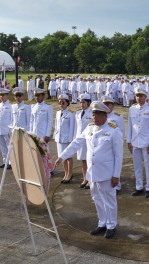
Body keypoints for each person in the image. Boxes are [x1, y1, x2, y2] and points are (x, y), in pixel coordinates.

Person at [54, 101, 123, 238]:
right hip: (92, 172)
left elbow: (118, 156)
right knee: (97, 198)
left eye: (97, 114)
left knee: (109, 200)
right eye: (93, 114)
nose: (94, 117)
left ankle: (111, 225)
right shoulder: (89, 128)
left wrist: (116, 175)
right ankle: (102, 222)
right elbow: (76, 143)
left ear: (105, 116)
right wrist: (62, 157)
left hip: (107, 173)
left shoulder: (113, 131)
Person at [127, 88, 149, 198]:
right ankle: (139, 186)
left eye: (141, 95)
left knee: (148, 166)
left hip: (146, 143)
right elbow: (130, 126)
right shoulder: (132, 109)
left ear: (146, 97)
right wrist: (128, 141)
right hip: (135, 142)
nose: (139, 98)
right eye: (137, 95)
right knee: (137, 166)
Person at [101, 95, 125, 193]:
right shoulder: (101, 116)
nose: (106, 106)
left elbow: (122, 131)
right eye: (104, 104)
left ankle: (117, 185)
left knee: (115, 164)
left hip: (114, 144)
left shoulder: (118, 117)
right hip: (103, 144)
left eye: (108, 104)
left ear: (112, 106)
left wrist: (118, 144)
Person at [54, 94, 76, 184]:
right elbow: (56, 126)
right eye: (60, 103)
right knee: (62, 157)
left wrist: (71, 140)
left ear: (67, 103)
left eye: (63, 103)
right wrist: (55, 137)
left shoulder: (71, 114)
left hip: (67, 139)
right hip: (59, 138)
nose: (61, 104)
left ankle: (70, 174)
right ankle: (66, 173)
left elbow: (72, 128)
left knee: (68, 157)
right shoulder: (58, 112)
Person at [75, 94, 93, 189]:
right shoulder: (78, 113)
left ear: (89, 103)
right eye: (80, 102)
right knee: (83, 160)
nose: (81, 104)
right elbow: (76, 128)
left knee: (89, 160)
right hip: (80, 139)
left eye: (84, 102)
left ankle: (90, 180)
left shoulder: (91, 113)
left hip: (88, 140)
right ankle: (85, 178)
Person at [0, 88, 13, 169]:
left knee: (9, 147)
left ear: (7, 95)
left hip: (7, 130)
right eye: (0, 95)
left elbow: (12, 120)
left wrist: (11, 131)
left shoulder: (11, 106)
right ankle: (4, 161)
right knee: (2, 147)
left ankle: (10, 162)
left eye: (3, 95)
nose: (1, 97)